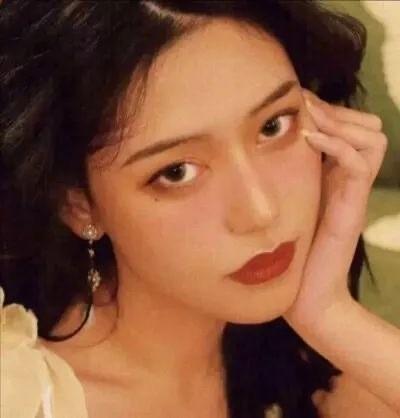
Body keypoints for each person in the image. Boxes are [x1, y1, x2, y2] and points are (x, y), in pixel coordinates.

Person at [1, 1, 399, 418]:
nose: (261, 211)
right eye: (177, 172)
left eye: (273, 126)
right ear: (79, 205)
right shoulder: (31, 402)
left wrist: (331, 316)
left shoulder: (297, 353)